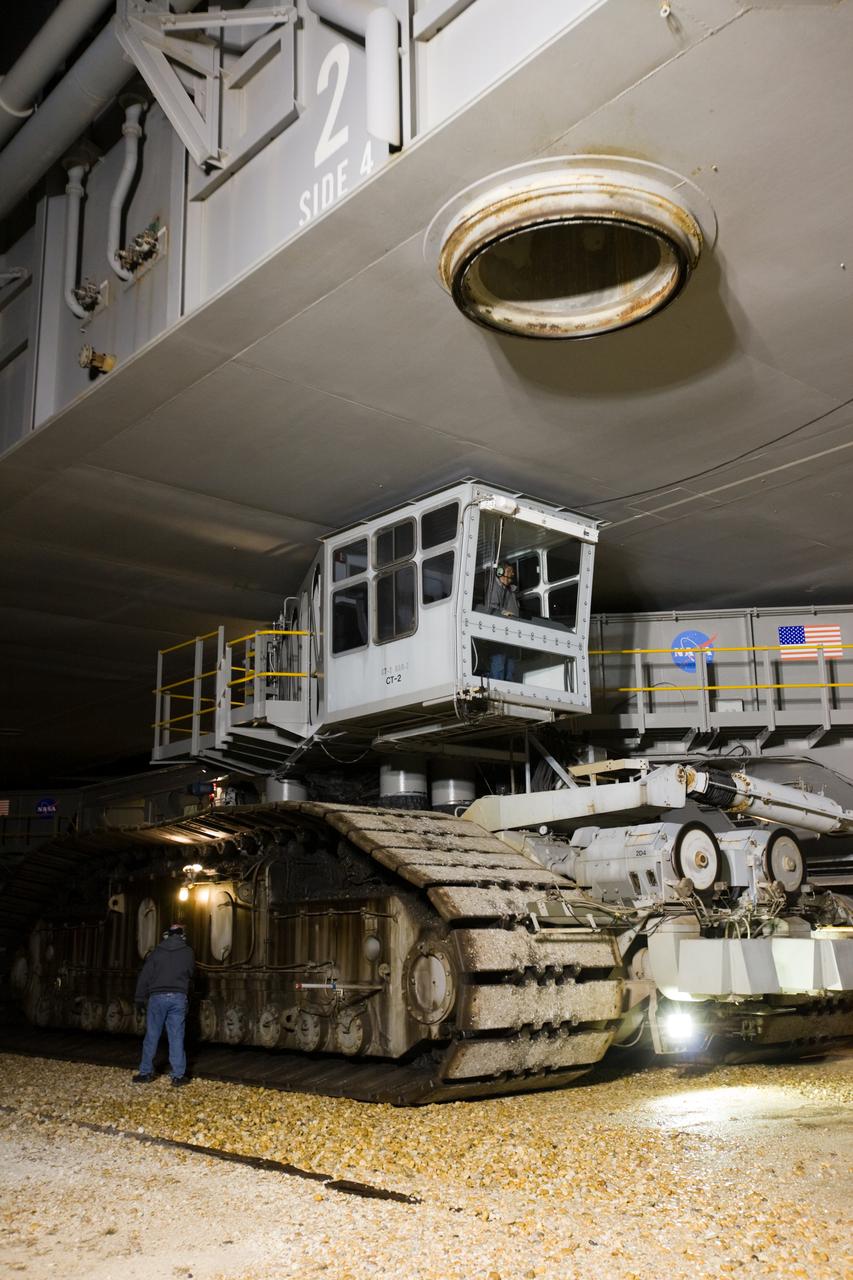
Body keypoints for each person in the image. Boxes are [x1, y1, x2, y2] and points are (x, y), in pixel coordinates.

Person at [132, 922, 194, 1086]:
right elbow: (191, 973)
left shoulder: (156, 952)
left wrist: (139, 998)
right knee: (176, 1037)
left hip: (157, 998)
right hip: (178, 998)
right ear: (182, 935)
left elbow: (145, 976)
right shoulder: (188, 952)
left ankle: (145, 1073)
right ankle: (178, 1076)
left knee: (152, 1036)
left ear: (167, 935)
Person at [484, 562, 519, 681]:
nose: (512, 574)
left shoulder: (510, 591)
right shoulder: (494, 587)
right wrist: (504, 613)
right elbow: (492, 608)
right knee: (499, 666)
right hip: (498, 634)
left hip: (511, 635)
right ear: (500, 572)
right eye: (509, 571)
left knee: (511, 668)